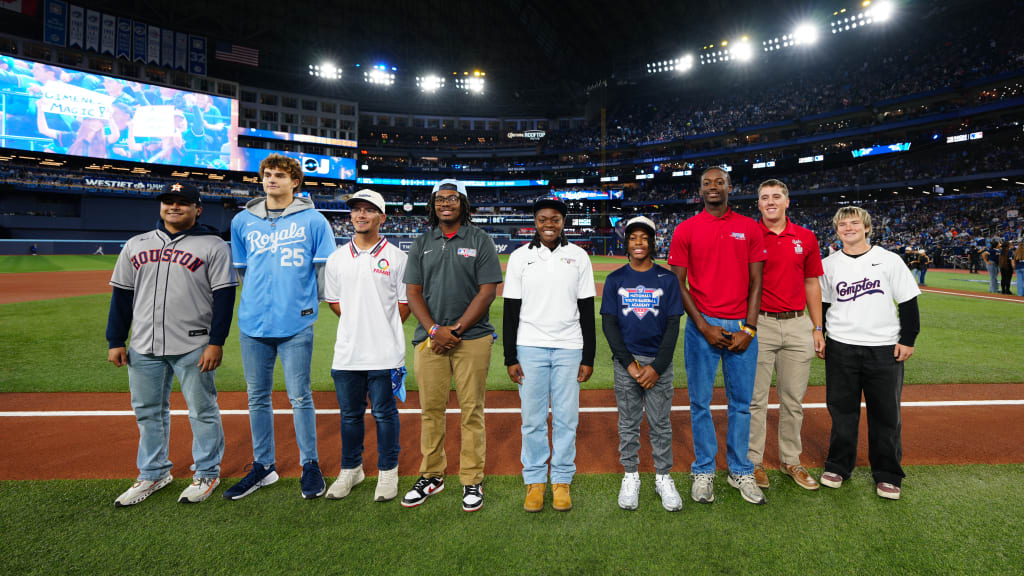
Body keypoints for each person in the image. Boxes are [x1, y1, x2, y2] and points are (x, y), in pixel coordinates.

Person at [106, 182, 237, 506]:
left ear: (197, 209)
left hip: (193, 344)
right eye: (168, 201)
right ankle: (153, 473)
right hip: (143, 344)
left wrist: (216, 342)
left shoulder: (213, 245)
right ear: (161, 206)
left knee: (202, 410)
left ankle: (207, 471)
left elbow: (224, 297)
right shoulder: (137, 245)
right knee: (148, 412)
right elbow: (122, 296)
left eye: (182, 202)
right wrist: (115, 339)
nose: (174, 207)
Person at [225, 154, 336, 500]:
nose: (272, 180)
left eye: (280, 175)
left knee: (300, 396)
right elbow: (243, 272)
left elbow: (324, 274)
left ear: (295, 182)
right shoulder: (242, 221)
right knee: (256, 397)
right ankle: (263, 466)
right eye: (267, 175)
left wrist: (304, 305)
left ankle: (310, 464)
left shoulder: (314, 220)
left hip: (296, 323)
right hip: (252, 324)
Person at [401, 178, 503, 512]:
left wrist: (455, 330)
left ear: (463, 204)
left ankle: (472, 478)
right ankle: (432, 475)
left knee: (472, 410)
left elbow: (488, 290)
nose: (446, 203)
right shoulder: (422, 241)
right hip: (430, 340)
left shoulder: (480, 239)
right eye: (440, 199)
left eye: (453, 198)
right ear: (433, 205)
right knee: (431, 410)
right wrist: (433, 331)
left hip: (471, 338)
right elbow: (412, 291)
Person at [668, 166, 767, 505]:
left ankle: (741, 469)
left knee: (741, 405)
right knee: (700, 403)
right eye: (707, 183)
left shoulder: (749, 227)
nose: (713, 187)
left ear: (730, 186)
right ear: (700, 190)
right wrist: (703, 326)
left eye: (719, 182)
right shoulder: (686, 229)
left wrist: (749, 328)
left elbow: (757, 283)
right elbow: (677, 284)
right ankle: (704, 469)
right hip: (701, 325)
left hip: (741, 321)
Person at [818, 206, 920, 500]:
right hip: (841, 345)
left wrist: (908, 339)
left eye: (853, 223)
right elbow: (824, 305)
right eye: (842, 224)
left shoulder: (889, 260)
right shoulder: (829, 264)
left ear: (866, 227)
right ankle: (838, 465)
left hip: (883, 347)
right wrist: (821, 334)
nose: (848, 228)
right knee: (842, 411)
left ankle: (888, 473)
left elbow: (909, 302)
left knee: (886, 414)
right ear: (836, 230)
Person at [503, 196, 596, 513]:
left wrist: (589, 357)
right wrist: (509, 357)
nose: (549, 224)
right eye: (543, 218)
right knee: (532, 420)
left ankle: (561, 480)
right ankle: (534, 481)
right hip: (529, 347)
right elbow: (510, 312)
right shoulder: (519, 257)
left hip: (570, 348)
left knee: (567, 419)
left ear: (563, 221)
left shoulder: (578, 256)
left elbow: (586, 311)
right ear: (535, 221)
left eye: (555, 218)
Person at [323, 189, 410, 502]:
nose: (361, 215)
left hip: (385, 353)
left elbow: (404, 304)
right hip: (347, 354)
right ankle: (351, 469)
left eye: (369, 210)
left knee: (385, 415)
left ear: (381, 218)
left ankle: (388, 472)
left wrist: (379, 328)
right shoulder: (335, 259)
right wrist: (358, 325)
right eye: (357, 210)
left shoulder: (398, 258)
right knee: (349, 416)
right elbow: (334, 302)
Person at [601, 216, 684, 511]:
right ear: (627, 244)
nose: (638, 243)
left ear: (652, 243)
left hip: (657, 364)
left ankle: (663, 477)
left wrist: (657, 367)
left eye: (644, 238)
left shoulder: (668, 279)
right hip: (628, 364)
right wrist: (630, 365)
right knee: (628, 423)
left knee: (661, 424)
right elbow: (609, 326)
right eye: (633, 238)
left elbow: (673, 326)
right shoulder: (615, 279)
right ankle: (631, 475)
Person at [747, 179, 825, 491]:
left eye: (776, 196)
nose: (770, 202)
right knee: (756, 400)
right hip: (760, 324)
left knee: (793, 399)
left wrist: (818, 328)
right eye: (764, 197)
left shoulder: (805, 237)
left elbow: (811, 283)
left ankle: (790, 459)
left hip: (797, 324)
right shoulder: (749, 236)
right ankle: (753, 461)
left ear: (787, 201)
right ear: (759, 204)